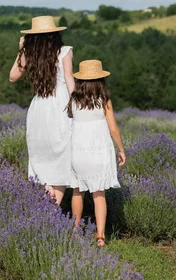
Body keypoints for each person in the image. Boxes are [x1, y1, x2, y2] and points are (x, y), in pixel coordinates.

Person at [9, 16, 74, 205]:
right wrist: (77, 104)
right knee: (61, 154)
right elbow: (69, 79)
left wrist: (21, 49)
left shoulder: (31, 54)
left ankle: (48, 203)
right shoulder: (64, 52)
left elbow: (13, 76)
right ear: (55, 34)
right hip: (61, 106)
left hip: (40, 108)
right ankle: (52, 210)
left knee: (43, 155)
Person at [67, 60, 126, 247]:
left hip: (78, 152)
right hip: (99, 151)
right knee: (99, 194)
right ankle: (100, 236)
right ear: (100, 79)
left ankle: (75, 231)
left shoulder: (74, 99)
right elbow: (113, 127)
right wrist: (121, 149)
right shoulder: (103, 99)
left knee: (78, 191)